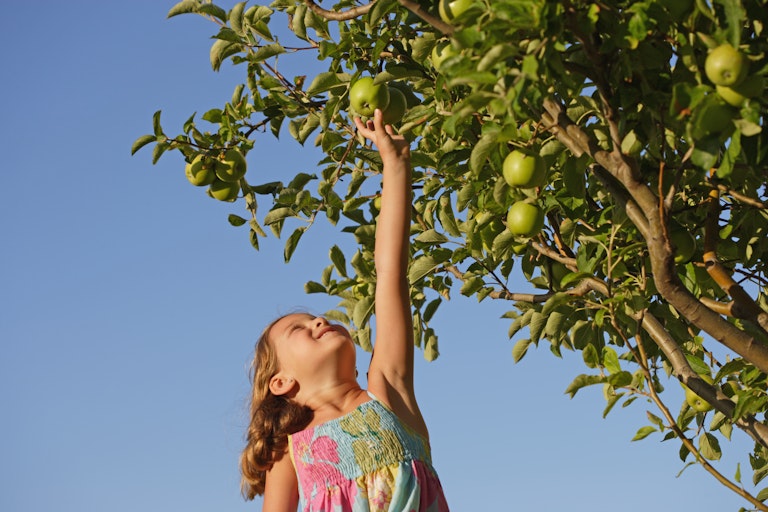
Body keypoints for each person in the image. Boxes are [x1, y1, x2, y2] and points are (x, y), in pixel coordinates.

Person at [239, 109, 450, 511]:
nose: (319, 320)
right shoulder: (290, 451)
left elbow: (390, 274)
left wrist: (396, 163)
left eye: (315, 317)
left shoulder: (388, 389)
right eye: (299, 329)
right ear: (280, 382)